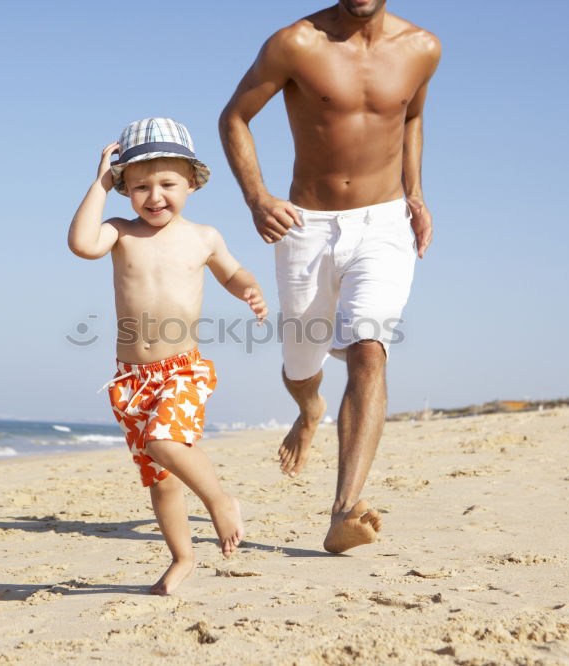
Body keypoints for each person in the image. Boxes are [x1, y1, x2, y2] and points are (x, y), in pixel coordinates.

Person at [219, 0, 441, 553]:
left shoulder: (422, 49)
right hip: (305, 225)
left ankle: (343, 509)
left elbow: (410, 116)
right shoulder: (295, 43)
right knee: (301, 362)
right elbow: (234, 117)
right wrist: (256, 199)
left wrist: (414, 193)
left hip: (384, 224)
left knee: (369, 348)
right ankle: (310, 409)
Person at [68, 117, 268, 595]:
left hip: (182, 369)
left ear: (192, 183)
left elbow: (232, 273)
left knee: (164, 442)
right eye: (139, 186)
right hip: (131, 379)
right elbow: (81, 243)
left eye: (167, 183)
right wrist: (99, 181)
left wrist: (251, 290)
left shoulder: (204, 237)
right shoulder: (119, 232)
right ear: (124, 190)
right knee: (160, 479)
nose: (154, 195)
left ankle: (220, 500)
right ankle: (182, 557)